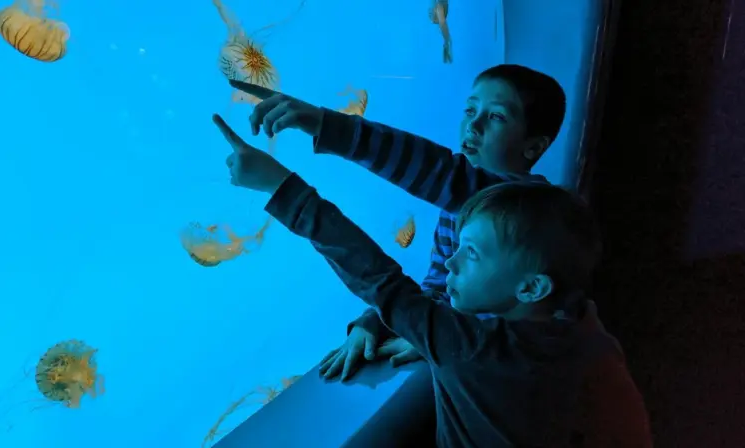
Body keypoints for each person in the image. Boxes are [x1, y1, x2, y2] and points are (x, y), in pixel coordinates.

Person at [211, 113, 652, 446]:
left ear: (532, 287)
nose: (451, 264)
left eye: (472, 254)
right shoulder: (579, 322)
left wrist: (279, 185)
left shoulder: (473, 347)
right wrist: (428, 336)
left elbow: (380, 280)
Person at [229, 64, 567, 381]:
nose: (473, 126)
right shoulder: (457, 211)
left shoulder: (530, 212)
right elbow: (440, 286)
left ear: (534, 146)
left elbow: (442, 173)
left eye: (496, 117)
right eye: (469, 110)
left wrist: (324, 126)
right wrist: (377, 322)